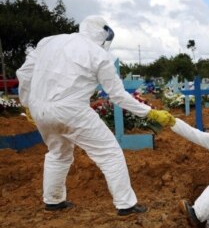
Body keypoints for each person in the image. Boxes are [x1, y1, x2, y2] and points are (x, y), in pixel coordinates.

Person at [16, 15, 176, 216]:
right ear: (103, 34)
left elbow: (24, 73)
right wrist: (149, 112)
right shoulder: (98, 55)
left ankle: (53, 201)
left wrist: (28, 104)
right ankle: (126, 205)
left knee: (58, 153)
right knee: (110, 153)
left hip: (41, 110)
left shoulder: (48, 42)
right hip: (72, 110)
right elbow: (117, 95)